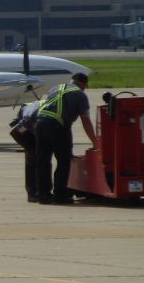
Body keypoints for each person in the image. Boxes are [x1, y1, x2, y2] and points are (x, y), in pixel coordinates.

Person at [34, 73, 97, 204]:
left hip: (39, 123)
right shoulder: (80, 95)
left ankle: (43, 195)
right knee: (64, 161)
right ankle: (60, 195)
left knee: (43, 161)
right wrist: (95, 141)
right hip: (58, 126)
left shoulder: (56, 88)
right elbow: (85, 120)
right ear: (82, 83)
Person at [10, 100, 43, 202]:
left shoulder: (45, 110)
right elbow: (16, 132)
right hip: (26, 125)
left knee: (37, 158)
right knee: (31, 158)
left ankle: (37, 191)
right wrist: (29, 147)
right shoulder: (26, 123)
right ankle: (32, 193)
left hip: (32, 119)